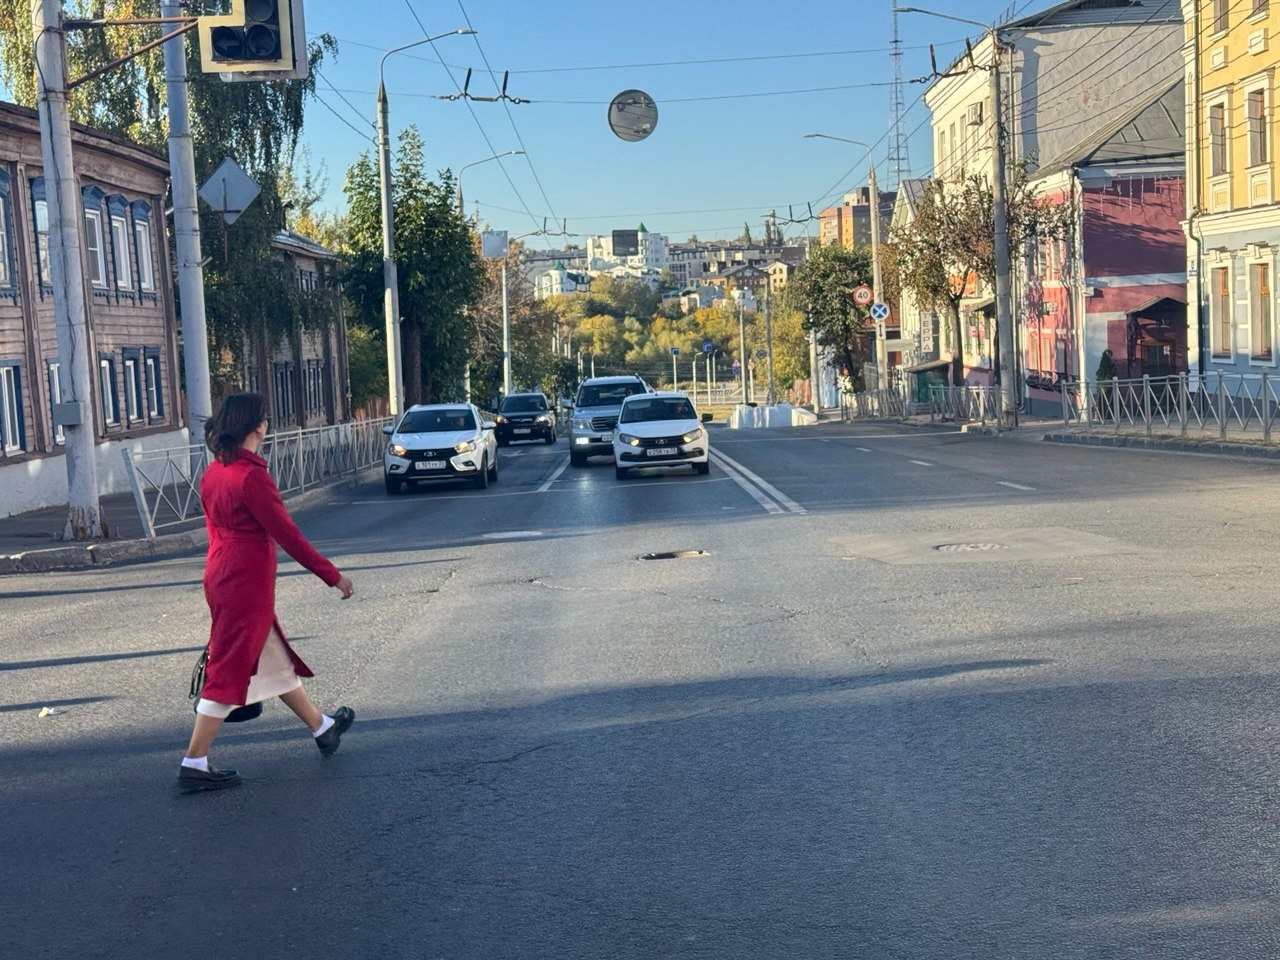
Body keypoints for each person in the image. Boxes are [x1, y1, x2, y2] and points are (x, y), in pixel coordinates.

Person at [178, 392, 356, 794]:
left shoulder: (215, 470)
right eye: (265, 418)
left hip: (221, 573)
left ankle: (322, 728)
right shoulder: (251, 476)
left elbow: (214, 528)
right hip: (246, 580)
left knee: (271, 657)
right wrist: (331, 575)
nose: (267, 424)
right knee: (229, 669)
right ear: (258, 426)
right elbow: (287, 534)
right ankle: (194, 762)